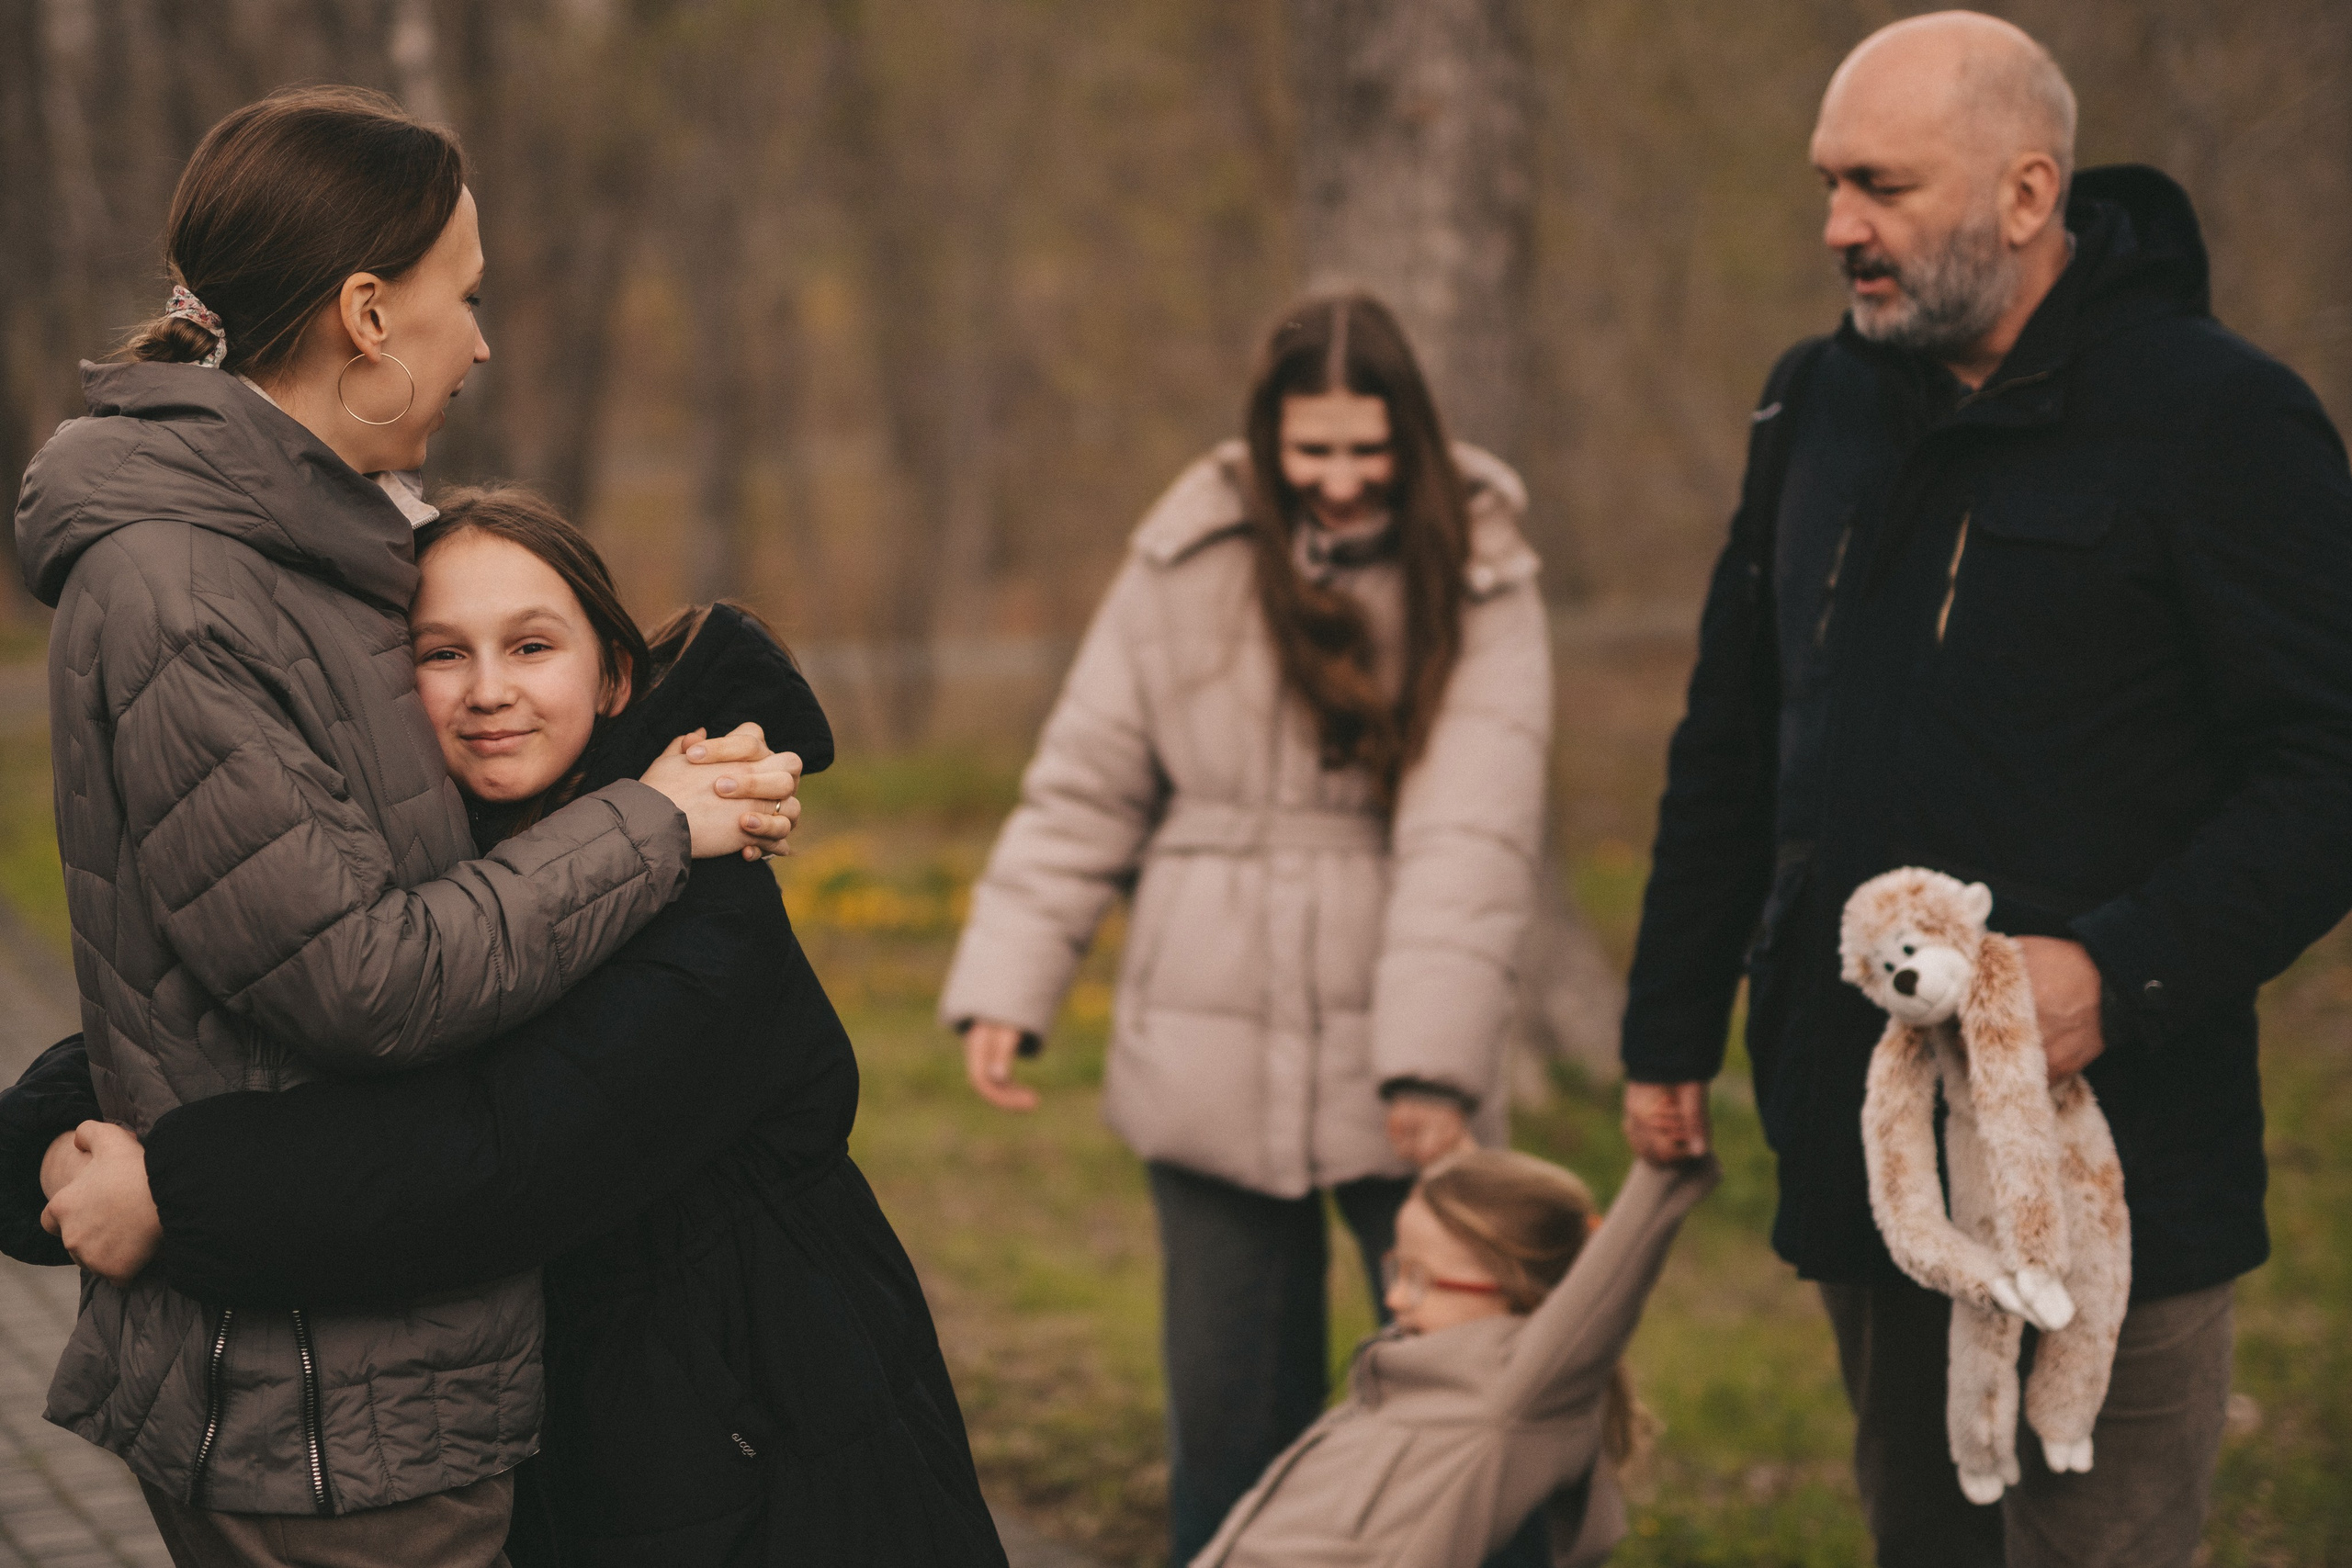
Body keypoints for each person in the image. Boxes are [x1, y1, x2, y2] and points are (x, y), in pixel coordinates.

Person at [9, 88, 799, 1562]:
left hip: (390, 1368)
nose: (482, 340)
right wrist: (651, 820)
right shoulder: (191, 591)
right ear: (370, 313)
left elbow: (303, 918)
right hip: (321, 1413)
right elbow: (360, 973)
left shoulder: (312, 551)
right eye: (467, 294)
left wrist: (711, 767)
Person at [1618, 13, 2352, 1567]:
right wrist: (1669, 1020)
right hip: (1866, 1142)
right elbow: (1737, 731)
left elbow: (2328, 764)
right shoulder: (1811, 404)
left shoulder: (2221, 418)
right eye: (1829, 185)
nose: (1837, 228)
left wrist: (2122, 967)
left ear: (2028, 197)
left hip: (2123, 1160)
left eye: (1880, 187)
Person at [6, 486, 1009, 1568]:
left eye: (531, 646)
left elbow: (495, 1156)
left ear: (611, 674)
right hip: (581, 1463)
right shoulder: (436, 880)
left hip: (778, 1457)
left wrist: (171, 1192)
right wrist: (52, 1140)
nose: (490, 692)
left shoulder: (709, 914)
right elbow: (239, 1029)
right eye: (440, 655)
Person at [937, 292, 1554, 1563]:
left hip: (1402, 1014)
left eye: (1368, 448)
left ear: (1415, 438)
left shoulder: (1480, 564)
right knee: (1227, 1418)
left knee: (1469, 1401)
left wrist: (1432, 1062)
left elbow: (1472, 827)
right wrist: (1010, 978)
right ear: (1266, 436)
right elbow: (1089, 779)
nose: (1339, 480)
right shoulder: (1186, 554)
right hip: (1207, 1028)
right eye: (1311, 448)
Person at [1191, 1148, 1716, 1568]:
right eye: (1398, 1269)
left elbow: (1610, 1281)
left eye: (1424, 1280)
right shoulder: (1402, 1379)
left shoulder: (1512, 1390)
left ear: (1518, 1292)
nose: (1395, 1300)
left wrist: (1664, 1172)